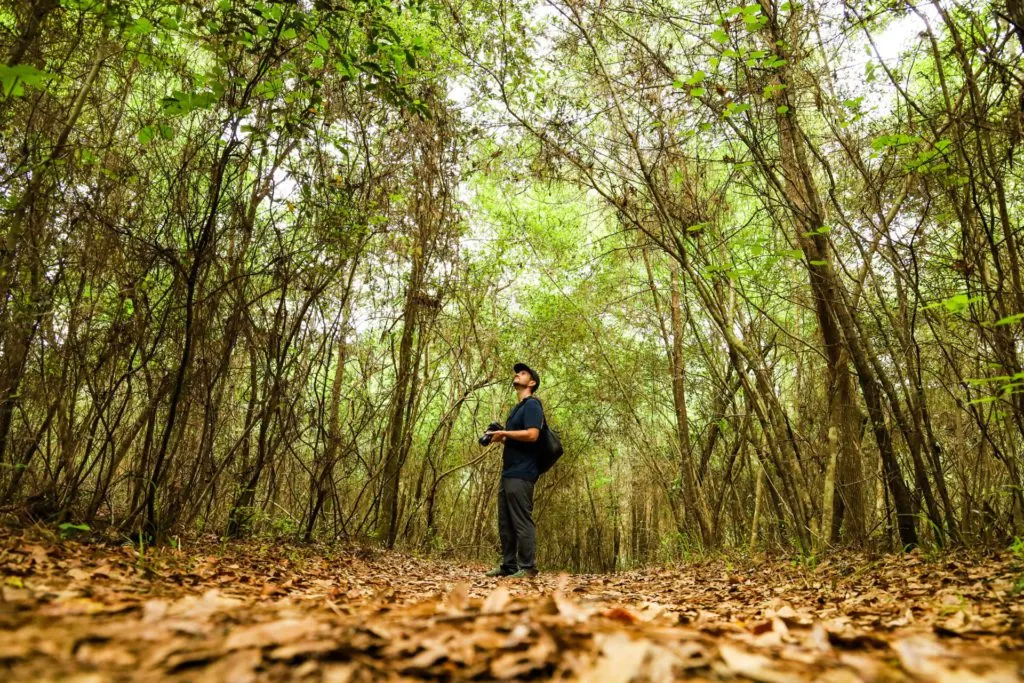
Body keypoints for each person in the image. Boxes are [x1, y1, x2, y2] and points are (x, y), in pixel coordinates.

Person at [484, 362, 544, 578]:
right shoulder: (516, 409)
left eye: (523, 373)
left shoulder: (532, 405)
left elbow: (532, 435)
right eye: (517, 372)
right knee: (505, 521)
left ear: (532, 382)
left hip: (523, 472)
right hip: (509, 472)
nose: (518, 374)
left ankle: (527, 568)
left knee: (521, 519)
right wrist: (499, 436)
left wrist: (506, 433)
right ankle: (508, 565)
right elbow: (518, 439)